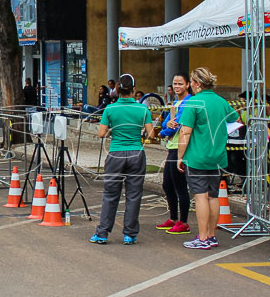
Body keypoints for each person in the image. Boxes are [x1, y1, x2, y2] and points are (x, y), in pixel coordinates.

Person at [176, 68, 239, 249]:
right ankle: (211, 235)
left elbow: (185, 132)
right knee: (213, 196)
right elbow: (235, 118)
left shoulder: (194, 102)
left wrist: (180, 157)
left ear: (196, 83)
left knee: (200, 196)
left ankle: (202, 238)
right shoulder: (221, 102)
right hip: (218, 156)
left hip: (197, 156)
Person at [90, 74, 154, 245]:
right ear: (134, 89)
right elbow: (151, 133)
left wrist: (114, 130)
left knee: (111, 194)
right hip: (136, 153)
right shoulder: (142, 109)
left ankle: (102, 233)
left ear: (117, 90)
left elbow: (101, 133)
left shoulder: (110, 109)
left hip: (116, 153)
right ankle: (130, 234)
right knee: (134, 194)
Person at [157, 73, 193, 235]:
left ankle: (183, 221)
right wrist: (167, 128)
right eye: (175, 84)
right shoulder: (175, 103)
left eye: (180, 84)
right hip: (172, 146)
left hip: (180, 147)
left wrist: (164, 132)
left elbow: (174, 126)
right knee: (167, 184)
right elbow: (167, 122)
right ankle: (173, 218)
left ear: (187, 85)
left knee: (180, 186)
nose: (177, 87)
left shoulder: (188, 102)